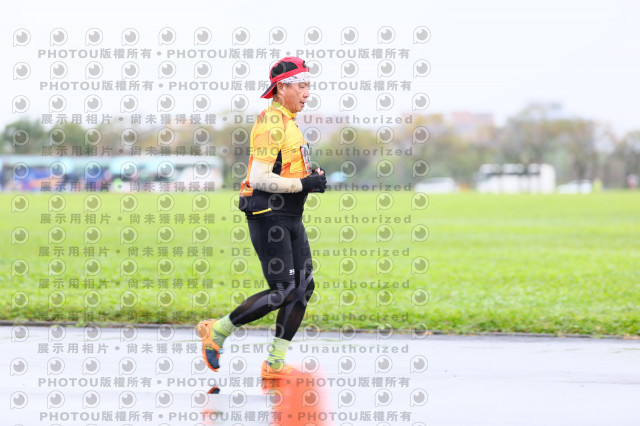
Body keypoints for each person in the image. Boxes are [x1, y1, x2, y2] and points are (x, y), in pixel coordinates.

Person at [198, 57, 327, 380]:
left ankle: (274, 364)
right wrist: (305, 184)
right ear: (281, 88)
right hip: (268, 213)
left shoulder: (288, 121)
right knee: (283, 289)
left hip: (290, 213)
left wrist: (312, 177)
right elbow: (259, 178)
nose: (307, 93)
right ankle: (217, 330)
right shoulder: (272, 122)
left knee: (303, 287)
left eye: (308, 86)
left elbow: (287, 170)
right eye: (301, 86)